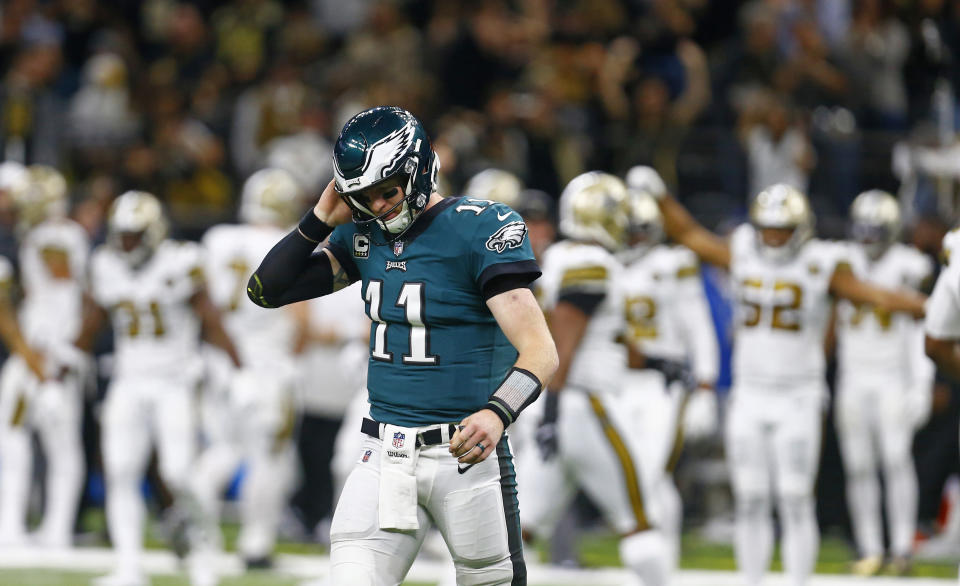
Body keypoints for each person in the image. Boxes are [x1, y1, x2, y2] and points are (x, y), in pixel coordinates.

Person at [248, 106, 557, 585]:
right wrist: (318, 218)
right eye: (364, 197)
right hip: (384, 453)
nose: (379, 206)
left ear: (418, 170)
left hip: (467, 455)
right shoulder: (361, 237)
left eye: (387, 190)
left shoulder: (480, 228)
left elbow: (541, 352)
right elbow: (266, 290)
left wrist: (497, 413)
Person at [632, 166, 926, 586]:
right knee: (750, 497)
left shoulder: (823, 262)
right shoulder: (744, 251)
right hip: (750, 393)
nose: (772, 237)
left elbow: (876, 295)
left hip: (799, 394)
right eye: (767, 228)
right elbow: (691, 235)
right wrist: (661, 196)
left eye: (782, 229)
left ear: (801, 228)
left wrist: (932, 309)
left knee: (793, 496)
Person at [73, 190, 242, 586]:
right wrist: (63, 360)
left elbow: (212, 319)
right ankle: (129, 566)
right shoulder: (104, 264)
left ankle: (202, 555)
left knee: (179, 473)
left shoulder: (182, 260)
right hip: (128, 381)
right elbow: (93, 320)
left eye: (134, 234)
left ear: (153, 231)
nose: (126, 242)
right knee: (120, 470)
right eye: (122, 234)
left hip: (175, 383)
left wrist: (239, 368)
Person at [517, 171, 669, 585]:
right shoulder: (592, 263)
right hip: (583, 402)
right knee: (641, 522)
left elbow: (605, 339)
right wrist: (551, 408)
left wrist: (658, 364)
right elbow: (564, 345)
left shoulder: (564, 256)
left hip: (561, 404)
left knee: (518, 533)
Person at [190, 167, 309, 579]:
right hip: (268, 363)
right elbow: (302, 316)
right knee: (268, 457)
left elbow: (203, 306)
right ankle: (255, 543)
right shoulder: (291, 241)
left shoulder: (217, 239)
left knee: (221, 448)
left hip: (222, 360)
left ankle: (197, 534)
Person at [617, 174, 720, 575]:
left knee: (651, 473)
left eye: (640, 231)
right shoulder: (602, 262)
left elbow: (699, 325)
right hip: (617, 383)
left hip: (663, 384)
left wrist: (706, 385)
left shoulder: (673, 264)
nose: (633, 239)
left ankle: (662, 568)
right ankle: (651, 568)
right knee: (634, 477)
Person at [834, 190, 934, 576]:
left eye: (876, 230)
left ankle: (903, 548)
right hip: (853, 376)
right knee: (859, 465)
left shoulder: (910, 265)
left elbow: (916, 327)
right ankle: (871, 548)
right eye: (864, 229)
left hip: (891, 375)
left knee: (895, 460)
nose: (869, 238)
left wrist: (921, 381)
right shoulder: (841, 260)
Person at [0, 164, 88, 548]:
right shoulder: (50, 232)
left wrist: (54, 356)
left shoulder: (54, 235)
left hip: (47, 354)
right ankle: (37, 527)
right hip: (48, 352)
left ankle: (50, 529)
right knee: (25, 439)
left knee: (52, 442)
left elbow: (64, 298)